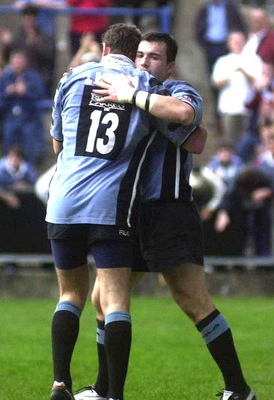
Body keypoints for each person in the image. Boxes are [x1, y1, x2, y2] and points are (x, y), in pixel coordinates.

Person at [75, 32, 257, 400]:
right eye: (140, 55)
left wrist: (136, 98)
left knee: (193, 300)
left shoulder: (177, 90)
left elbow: (192, 126)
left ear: (169, 65)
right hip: (131, 212)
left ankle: (239, 389)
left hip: (170, 211)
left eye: (154, 57)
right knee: (102, 298)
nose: (144, 62)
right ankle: (103, 387)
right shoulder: (127, 93)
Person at [46, 23, 200, 400]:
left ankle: (60, 384)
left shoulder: (71, 78)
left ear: (103, 48)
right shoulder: (144, 85)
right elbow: (191, 132)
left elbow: (57, 144)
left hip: (62, 202)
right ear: (134, 55)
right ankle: (113, 395)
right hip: (111, 206)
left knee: (70, 295)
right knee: (115, 300)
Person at [194, 0, 247, 123]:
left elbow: (240, 27)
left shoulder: (231, 7)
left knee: (232, 77)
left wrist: (235, 42)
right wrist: (204, 44)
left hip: (227, 45)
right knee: (215, 80)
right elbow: (198, 28)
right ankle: (217, 114)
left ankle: (233, 111)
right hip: (211, 47)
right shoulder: (204, 8)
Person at [0, 50, 47, 166]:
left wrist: (26, 92)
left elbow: (40, 94)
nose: (18, 64)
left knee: (29, 147)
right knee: (7, 144)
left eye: (20, 61)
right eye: (15, 61)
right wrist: (8, 92)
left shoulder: (33, 77)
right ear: (11, 62)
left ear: (25, 62)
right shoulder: (5, 77)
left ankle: (29, 172)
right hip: (9, 117)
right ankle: (7, 173)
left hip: (29, 117)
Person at [211, 31, 262, 144]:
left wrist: (244, 71)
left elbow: (259, 82)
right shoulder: (222, 61)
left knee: (248, 142)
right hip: (228, 108)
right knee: (229, 142)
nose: (237, 44)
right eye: (235, 42)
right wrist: (231, 73)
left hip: (249, 109)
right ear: (229, 44)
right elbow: (216, 83)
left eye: (240, 41)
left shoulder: (254, 59)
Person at [0, 4, 55, 95]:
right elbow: (7, 57)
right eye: (26, 18)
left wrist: (36, 43)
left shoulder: (44, 36)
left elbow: (49, 56)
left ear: (35, 19)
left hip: (37, 75)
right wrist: (7, 45)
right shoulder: (18, 36)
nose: (28, 21)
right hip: (17, 74)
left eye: (31, 18)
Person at [0, 144, 37, 209]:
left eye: (17, 157)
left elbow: (34, 183)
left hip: (20, 200)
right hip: (0, 199)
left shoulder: (27, 169)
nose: (14, 160)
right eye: (12, 157)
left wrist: (24, 184)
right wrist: (7, 197)